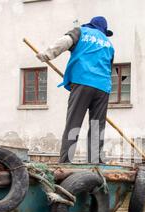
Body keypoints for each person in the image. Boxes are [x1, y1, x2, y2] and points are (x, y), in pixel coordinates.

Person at [37, 16, 115, 164]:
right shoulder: (109, 45)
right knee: (97, 125)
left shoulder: (81, 32)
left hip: (83, 81)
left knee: (74, 122)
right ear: (104, 30)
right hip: (103, 87)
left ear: (91, 25)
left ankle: (66, 161)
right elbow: (109, 68)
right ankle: (95, 160)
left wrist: (47, 54)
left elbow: (65, 41)